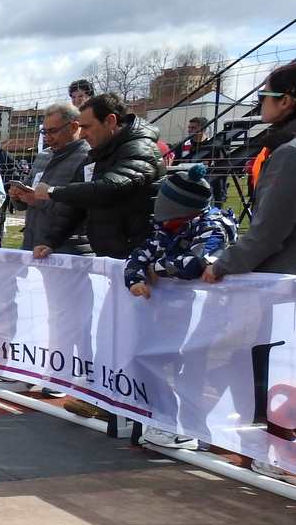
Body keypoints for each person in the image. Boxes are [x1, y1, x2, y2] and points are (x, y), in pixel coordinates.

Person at [122, 163, 238, 450]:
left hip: (214, 315)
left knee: (199, 370)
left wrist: (157, 269)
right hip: (177, 315)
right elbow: (139, 255)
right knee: (157, 361)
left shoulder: (213, 226)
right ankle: (169, 422)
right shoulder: (166, 227)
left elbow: (194, 264)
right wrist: (136, 278)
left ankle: (194, 430)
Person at [31, 92, 165, 260]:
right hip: (112, 257)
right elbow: (75, 207)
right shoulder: (97, 154)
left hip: (141, 257)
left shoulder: (140, 149)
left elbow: (110, 188)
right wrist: (50, 242)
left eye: (86, 127)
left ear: (110, 121)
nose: (82, 134)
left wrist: (52, 191)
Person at [204, 62, 296, 281]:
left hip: (282, 282)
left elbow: (268, 233)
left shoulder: (289, 155)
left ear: (285, 101)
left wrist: (221, 266)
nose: (260, 102)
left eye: (262, 95)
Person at [10, 103, 91, 255]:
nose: (47, 138)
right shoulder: (43, 156)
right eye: (44, 132)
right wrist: (17, 196)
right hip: (34, 247)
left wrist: (38, 201)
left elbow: (83, 208)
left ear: (74, 127)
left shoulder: (88, 158)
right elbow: (25, 196)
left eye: (53, 131)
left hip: (67, 252)